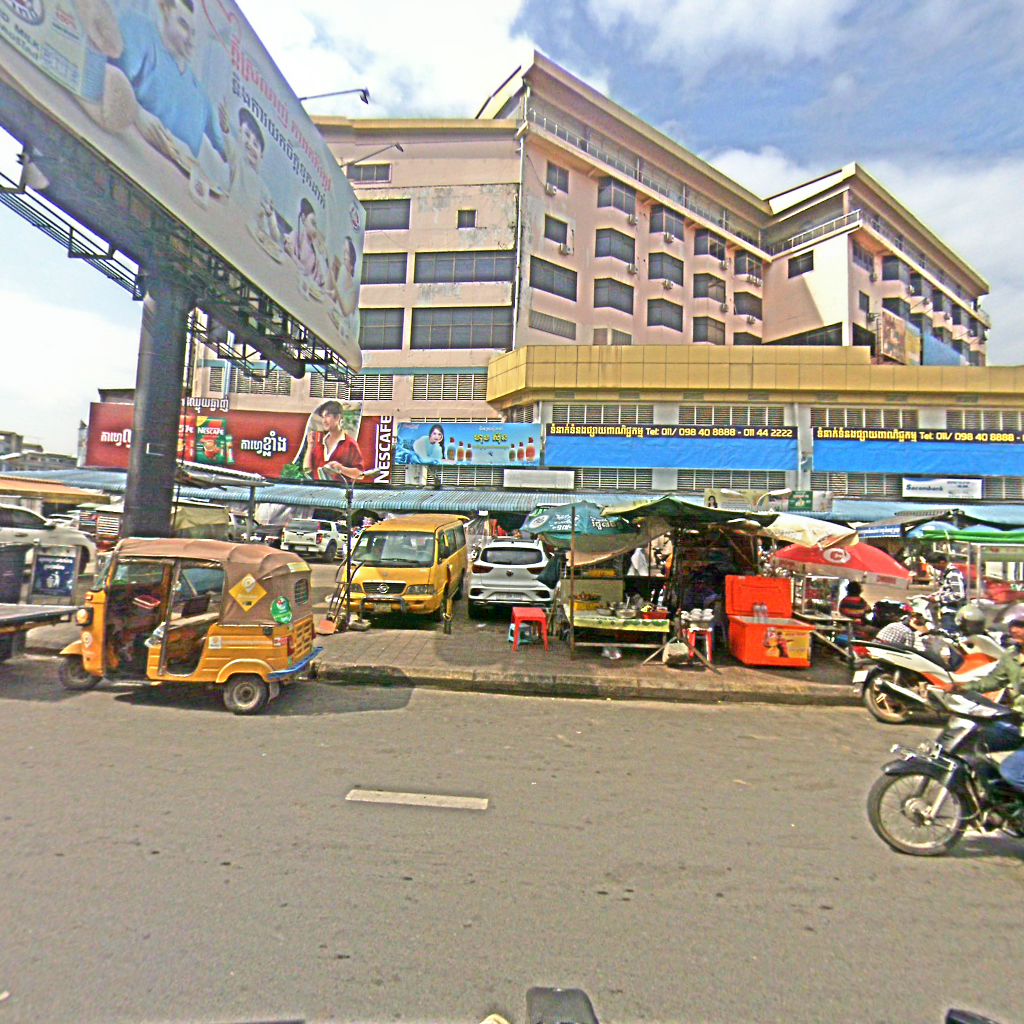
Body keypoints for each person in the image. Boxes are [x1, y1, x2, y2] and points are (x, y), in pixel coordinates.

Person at [83, 0, 229, 176]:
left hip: (168, 188)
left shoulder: (203, 99)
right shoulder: (139, 30)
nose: (191, 41)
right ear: (165, 9)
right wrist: (136, 113)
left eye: (194, 34)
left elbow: (226, 155)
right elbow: (102, 80)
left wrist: (227, 133)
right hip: (114, 166)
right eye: (183, 25)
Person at [972, 619, 1024, 795]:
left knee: (1012, 772)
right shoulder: (1012, 654)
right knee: (980, 740)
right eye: (1014, 625)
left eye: (1021, 626)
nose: (1014, 630)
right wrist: (961, 687)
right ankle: (1002, 799)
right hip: (1019, 723)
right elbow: (994, 680)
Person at [297, 400, 365, 482]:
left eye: (327, 416)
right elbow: (307, 470)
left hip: (339, 489)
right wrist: (310, 446)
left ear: (338, 418)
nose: (324, 421)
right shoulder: (319, 441)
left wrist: (341, 468)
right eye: (323, 417)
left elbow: (360, 474)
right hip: (318, 488)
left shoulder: (350, 443)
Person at [285, 198, 328, 290]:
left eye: (315, 225)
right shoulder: (294, 237)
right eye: (312, 223)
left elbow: (320, 283)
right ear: (303, 218)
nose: (314, 229)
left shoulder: (315, 254)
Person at [932, 554, 967, 632]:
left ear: (942, 562)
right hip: (947, 612)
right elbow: (948, 590)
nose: (934, 568)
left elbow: (958, 595)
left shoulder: (953, 574)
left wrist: (937, 598)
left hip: (952, 613)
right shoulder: (946, 573)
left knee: (950, 634)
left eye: (935, 565)